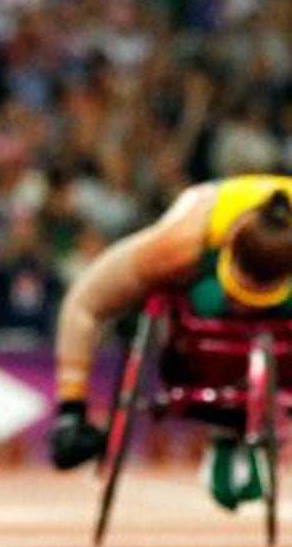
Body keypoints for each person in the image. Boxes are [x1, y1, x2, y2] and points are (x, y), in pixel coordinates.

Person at [49, 176, 292, 510]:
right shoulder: (178, 242)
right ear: (230, 248)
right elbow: (85, 303)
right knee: (195, 306)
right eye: (244, 289)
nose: (249, 305)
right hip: (200, 285)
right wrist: (71, 411)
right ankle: (224, 429)